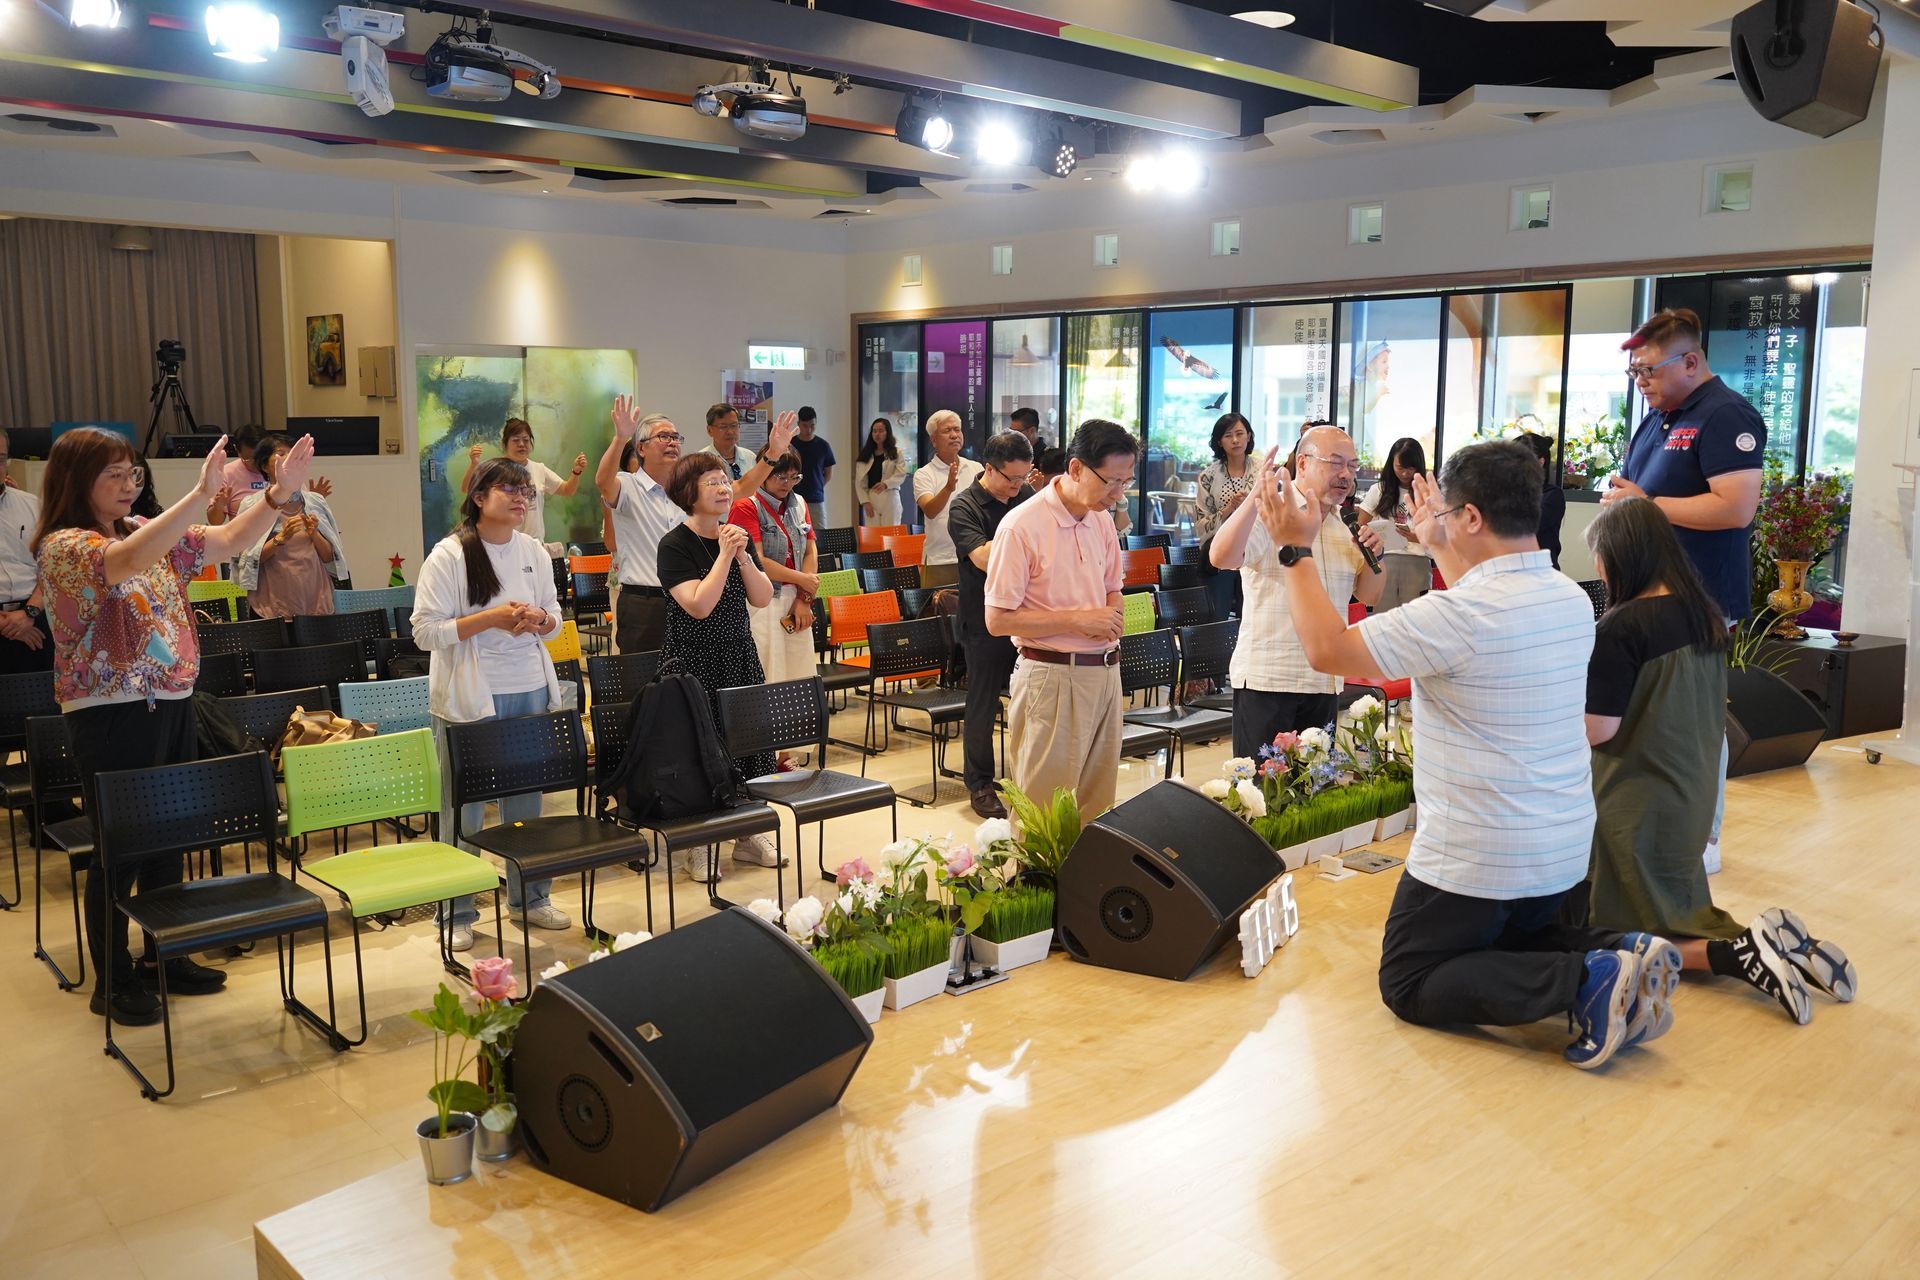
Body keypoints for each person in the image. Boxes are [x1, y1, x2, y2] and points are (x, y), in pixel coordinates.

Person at [1262, 439, 1675, 1070]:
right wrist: (1439, 542)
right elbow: (1477, 610)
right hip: (1565, 848)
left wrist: (1294, 549)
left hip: (1480, 855)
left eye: (1448, 513)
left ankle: (1584, 983)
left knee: (1409, 979)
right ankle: (1618, 951)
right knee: (1522, 938)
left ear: (1473, 517)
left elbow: (1327, 650)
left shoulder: (1456, 616)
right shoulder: (1569, 597)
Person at [35, 428, 316, 1026]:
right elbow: (128, 562)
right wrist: (198, 495)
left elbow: (228, 539)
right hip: (110, 712)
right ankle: (112, 981)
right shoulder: (65, 545)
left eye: (132, 473)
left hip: (172, 699)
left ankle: (166, 953)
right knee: (121, 847)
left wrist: (275, 496)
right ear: (75, 481)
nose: (127, 485)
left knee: (171, 836)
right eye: (113, 474)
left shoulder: (144, 527)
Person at [1580, 497, 1855, 1022]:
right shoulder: (1702, 613)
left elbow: (1598, 730)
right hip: (1692, 792)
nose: (1599, 567)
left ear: (1619, 555)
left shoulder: (1620, 627)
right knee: (1675, 906)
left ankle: (1741, 953)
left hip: (1633, 798)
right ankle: (1775, 943)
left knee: (1614, 930)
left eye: (1599, 555)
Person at [1606, 307, 1766, 877]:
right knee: (1649, 716)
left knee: (1695, 717)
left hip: (1700, 599)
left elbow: (1736, 507)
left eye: (1649, 370)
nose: (1641, 382)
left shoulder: (1725, 415)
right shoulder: (1657, 418)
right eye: (1635, 373)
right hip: (1645, 595)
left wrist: (1645, 504)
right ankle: (1655, 825)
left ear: (1691, 361)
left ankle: (1705, 834)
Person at [413, 458, 569, 953]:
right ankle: (455, 910)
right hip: (470, 695)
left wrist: (540, 619)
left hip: (528, 685)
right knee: (465, 810)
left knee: (526, 804)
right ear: (479, 498)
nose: (522, 498)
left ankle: (530, 897)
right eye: (510, 489)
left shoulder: (533, 550)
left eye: (526, 491)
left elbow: (556, 617)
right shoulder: (449, 555)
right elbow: (424, 632)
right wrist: (491, 619)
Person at [984, 420, 1133, 820]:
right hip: (1052, 675)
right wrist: (1077, 621)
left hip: (1106, 673)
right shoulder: (1021, 526)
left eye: (1126, 482)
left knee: (1097, 809)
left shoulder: (1101, 519)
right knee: (1042, 814)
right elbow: (997, 620)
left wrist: (1110, 615)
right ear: (1076, 468)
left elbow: (1113, 588)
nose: (1119, 494)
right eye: (1111, 482)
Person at [1210, 427, 1383, 755]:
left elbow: (1369, 596)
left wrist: (1378, 556)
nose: (1346, 475)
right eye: (1335, 463)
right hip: (1270, 679)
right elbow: (1221, 557)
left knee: (1316, 784)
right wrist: (1256, 494)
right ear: (1302, 463)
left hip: (1324, 679)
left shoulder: (1345, 525)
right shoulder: (1273, 511)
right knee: (1263, 785)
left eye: (1352, 466)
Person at [658, 453, 783, 874]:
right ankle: (699, 842)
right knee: (698, 752)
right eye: (711, 482)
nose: (723, 488)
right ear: (688, 492)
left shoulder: (735, 538)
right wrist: (725, 556)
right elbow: (698, 605)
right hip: (694, 662)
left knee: (749, 748)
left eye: (725, 480)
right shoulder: (674, 544)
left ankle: (747, 834)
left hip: (739, 655)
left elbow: (762, 597)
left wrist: (742, 555)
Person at [947, 431, 1034, 819]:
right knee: (982, 705)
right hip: (983, 620)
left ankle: (1026, 776)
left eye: (1024, 477)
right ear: (989, 468)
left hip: (1026, 615)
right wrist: (1026, 547)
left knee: (1030, 698)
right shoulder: (964, 506)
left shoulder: (1025, 495)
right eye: (1011, 478)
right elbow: (982, 558)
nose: (1018, 486)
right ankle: (980, 784)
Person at [598, 401, 688, 656]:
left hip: (687, 601)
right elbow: (603, 481)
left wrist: (771, 456)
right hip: (643, 603)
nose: (672, 442)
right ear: (641, 448)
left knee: (688, 677)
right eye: (664, 436)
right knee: (641, 677)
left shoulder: (686, 490)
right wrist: (620, 438)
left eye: (676, 437)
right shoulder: (628, 485)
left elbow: (738, 490)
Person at [231, 434, 349, 619]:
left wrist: (315, 534)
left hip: (317, 601)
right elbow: (248, 560)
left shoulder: (315, 501)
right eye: (281, 453)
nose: (289, 458)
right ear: (264, 466)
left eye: (293, 453)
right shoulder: (252, 505)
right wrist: (280, 539)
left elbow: (328, 556)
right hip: (272, 606)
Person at [729, 450, 819, 691]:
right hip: (763, 599)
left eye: (794, 477)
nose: (787, 484)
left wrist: (804, 599)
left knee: (801, 671)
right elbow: (756, 560)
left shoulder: (799, 503)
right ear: (765, 473)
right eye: (781, 477)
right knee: (769, 670)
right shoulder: (746, 505)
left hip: (797, 598)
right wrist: (803, 580)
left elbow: (810, 551)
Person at [460, 417, 587, 556]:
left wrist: (576, 472)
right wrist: (474, 464)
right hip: (503, 545)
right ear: (505, 443)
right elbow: (467, 488)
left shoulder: (539, 469)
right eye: (516, 440)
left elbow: (567, 490)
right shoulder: (496, 469)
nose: (521, 444)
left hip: (535, 545)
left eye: (526, 440)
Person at [1193, 412, 1257, 619]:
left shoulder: (1264, 472)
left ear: (1249, 436)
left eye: (1240, 433)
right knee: (1217, 617)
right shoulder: (1208, 476)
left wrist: (1251, 505)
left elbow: (1276, 512)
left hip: (1256, 552)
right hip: (1220, 552)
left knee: (1251, 617)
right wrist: (1229, 508)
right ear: (1219, 442)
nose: (1235, 440)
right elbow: (1201, 524)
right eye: (1228, 435)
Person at [1357, 436, 1430, 611]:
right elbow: (1360, 526)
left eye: (1410, 468)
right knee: (1382, 615)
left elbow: (1441, 536)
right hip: (1383, 560)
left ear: (1419, 466)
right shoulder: (1379, 490)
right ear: (1392, 464)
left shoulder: (1427, 493)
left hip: (1417, 561)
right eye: (1400, 468)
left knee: (1415, 616)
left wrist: (1415, 537)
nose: (1405, 474)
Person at [0, 428, 52, 674]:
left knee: (43, 694)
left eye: (1, 458)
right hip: (12, 621)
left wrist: (29, 613)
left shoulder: (33, 506)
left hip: (34, 616)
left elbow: (52, 568)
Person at [914, 410, 983, 589]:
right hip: (940, 559)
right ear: (933, 440)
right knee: (938, 605)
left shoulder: (976, 468)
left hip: (974, 556)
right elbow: (930, 511)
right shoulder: (924, 474)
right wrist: (948, 488)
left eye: (957, 429)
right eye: (947, 431)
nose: (954, 435)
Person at [208, 424, 330, 523]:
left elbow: (304, 518)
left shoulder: (287, 474)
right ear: (237, 450)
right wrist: (219, 507)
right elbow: (216, 522)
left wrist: (312, 500)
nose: (257, 464)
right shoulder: (226, 474)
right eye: (250, 460)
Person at [1518, 431, 1565, 570]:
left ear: (1540, 461)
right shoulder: (1505, 493)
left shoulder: (1553, 495)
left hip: (1543, 572)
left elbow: (1527, 525)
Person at [855, 418, 909, 527]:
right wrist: (865, 502)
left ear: (887, 432)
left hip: (890, 496)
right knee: (872, 533)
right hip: (871, 498)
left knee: (890, 532)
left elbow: (901, 474)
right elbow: (859, 481)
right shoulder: (865, 454)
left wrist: (886, 484)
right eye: (874, 431)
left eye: (881, 431)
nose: (877, 434)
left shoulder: (896, 452)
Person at [790, 406, 836, 529]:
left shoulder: (823, 446)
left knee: (820, 533)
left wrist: (818, 486)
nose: (809, 429)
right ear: (798, 424)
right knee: (794, 531)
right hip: (793, 497)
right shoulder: (791, 445)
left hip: (816, 498)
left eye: (812, 425)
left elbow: (828, 474)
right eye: (805, 426)